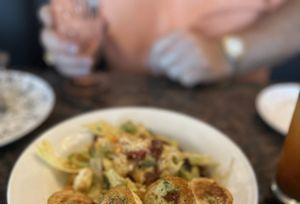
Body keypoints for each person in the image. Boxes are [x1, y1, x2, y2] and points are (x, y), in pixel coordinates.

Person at [39, 0, 300, 87]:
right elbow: (76, 13)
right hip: (121, 94)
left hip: (232, 97)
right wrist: (72, 48)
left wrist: (227, 51)